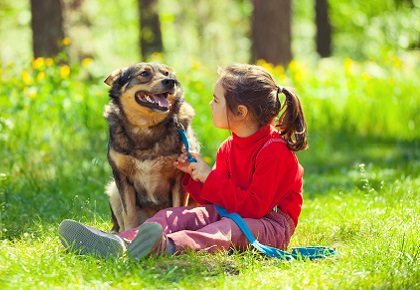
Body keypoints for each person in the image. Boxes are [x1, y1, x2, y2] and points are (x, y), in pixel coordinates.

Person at [59, 63, 308, 260]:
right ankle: (122, 241)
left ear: (240, 112)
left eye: (216, 100)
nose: (210, 104)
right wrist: (192, 175)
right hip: (233, 213)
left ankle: (166, 246)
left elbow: (254, 208)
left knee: (226, 229)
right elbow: (215, 202)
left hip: (270, 226)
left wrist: (209, 177)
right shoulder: (228, 147)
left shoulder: (274, 151)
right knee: (175, 215)